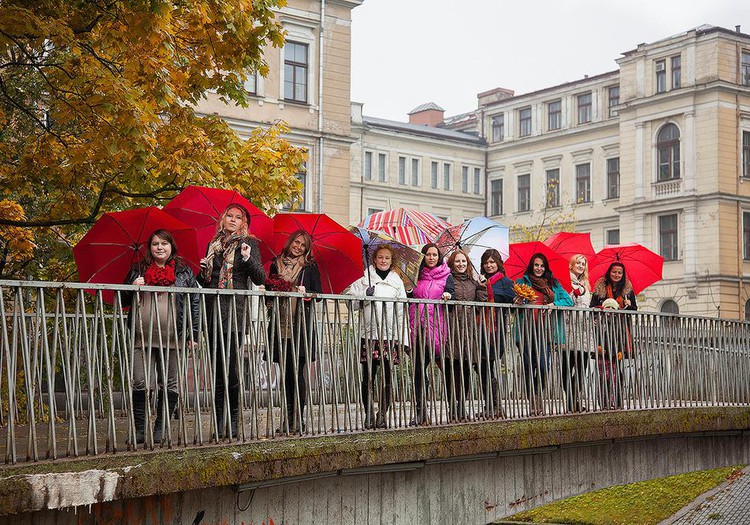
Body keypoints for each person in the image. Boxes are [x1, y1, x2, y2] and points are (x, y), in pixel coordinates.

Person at [124, 229, 199, 445]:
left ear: (171, 247)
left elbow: (194, 302)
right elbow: (121, 298)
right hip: (142, 336)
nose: (159, 247)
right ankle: (140, 429)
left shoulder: (184, 273)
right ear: (149, 248)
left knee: (170, 383)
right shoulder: (138, 270)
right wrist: (131, 287)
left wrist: (193, 333)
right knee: (140, 381)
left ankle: (161, 427)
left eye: (164, 243)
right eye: (155, 243)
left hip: (173, 338)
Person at [199, 204, 265, 439]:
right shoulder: (213, 245)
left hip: (234, 313)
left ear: (244, 222)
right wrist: (202, 270)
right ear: (223, 219)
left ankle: (233, 419)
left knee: (231, 368)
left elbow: (260, 277)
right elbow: (207, 281)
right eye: (229, 215)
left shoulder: (248, 244)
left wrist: (247, 259)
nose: (233, 220)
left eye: (238, 217)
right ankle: (218, 423)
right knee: (218, 368)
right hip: (213, 312)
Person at [266, 230, 322, 434]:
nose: (298, 247)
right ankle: (286, 418)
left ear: (307, 250)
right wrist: (272, 293)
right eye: (296, 243)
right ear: (290, 242)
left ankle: (298, 418)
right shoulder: (275, 264)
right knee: (285, 374)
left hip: (300, 327)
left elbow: (319, 294)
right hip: (280, 325)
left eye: (303, 245)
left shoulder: (309, 268)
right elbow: (268, 293)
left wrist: (306, 293)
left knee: (297, 374)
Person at [348, 245, 409, 429]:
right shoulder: (364, 278)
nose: (383, 260)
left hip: (390, 336)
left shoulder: (396, 281)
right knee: (368, 377)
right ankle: (368, 414)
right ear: (374, 259)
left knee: (388, 377)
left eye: (387, 258)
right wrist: (364, 295)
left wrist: (403, 339)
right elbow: (351, 304)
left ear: (391, 261)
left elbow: (401, 312)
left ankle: (382, 413)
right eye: (380, 257)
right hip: (370, 335)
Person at [515, 253, 574, 416]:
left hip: (546, 331)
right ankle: (533, 402)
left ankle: (538, 396)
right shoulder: (522, 282)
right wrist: (518, 301)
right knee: (528, 366)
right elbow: (515, 302)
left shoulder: (553, 284)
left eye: (542, 265)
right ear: (531, 266)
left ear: (545, 267)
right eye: (536, 265)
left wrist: (554, 304)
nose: (539, 268)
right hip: (526, 330)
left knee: (542, 366)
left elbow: (569, 301)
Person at [408, 243, 450, 425]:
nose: (431, 257)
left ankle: (455, 409)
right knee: (418, 371)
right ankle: (421, 412)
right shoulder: (415, 276)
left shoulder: (447, 276)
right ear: (423, 256)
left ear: (439, 257)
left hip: (439, 329)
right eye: (428, 254)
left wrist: (449, 296)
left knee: (447, 370)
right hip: (417, 328)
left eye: (435, 254)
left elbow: (455, 293)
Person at [443, 249, 487, 421]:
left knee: (467, 368)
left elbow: (481, 303)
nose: (460, 264)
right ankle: (452, 406)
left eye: (463, 261)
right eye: (457, 261)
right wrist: (447, 296)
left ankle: (462, 405)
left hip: (469, 329)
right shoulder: (449, 279)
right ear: (452, 264)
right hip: (453, 327)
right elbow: (447, 296)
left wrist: (482, 285)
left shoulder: (473, 282)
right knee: (451, 368)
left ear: (468, 264)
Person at [590, 261, 637, 410]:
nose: (616, 275)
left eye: (620, 273)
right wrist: (601, 308)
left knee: (616, 369)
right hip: (603, 333)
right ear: (609, 272)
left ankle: (616, 401)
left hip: (620, 334)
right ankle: (603, 401)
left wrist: (628, 305)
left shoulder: (627, 290)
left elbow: (634, 310)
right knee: (603, 369)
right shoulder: (600, 287)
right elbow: (592, 307)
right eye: (614, 272)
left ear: (623, 275)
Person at [478, 248, 516, 419]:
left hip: (496, 330)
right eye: (486, 262)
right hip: (479, 329)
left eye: (492, 262)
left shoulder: (506, 283)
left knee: (488, 363)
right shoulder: (480, 281)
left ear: (498, 263)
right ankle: (492, 405)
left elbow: (513, 302)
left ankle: (495, 406)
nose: (489, 265)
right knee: (480, 366)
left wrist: (518, 300)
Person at [563, 254, 593, 413]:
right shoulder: (565, 280)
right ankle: (571, 402)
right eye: (578, 263)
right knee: (567, 367)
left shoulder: (585, 284)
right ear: (572, 264)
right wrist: (572, 293)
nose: (581, 265)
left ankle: (573, 399)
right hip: (569, 328)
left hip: (584, 329)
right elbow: (565, 300)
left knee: (583, 365)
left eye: (583, 263)